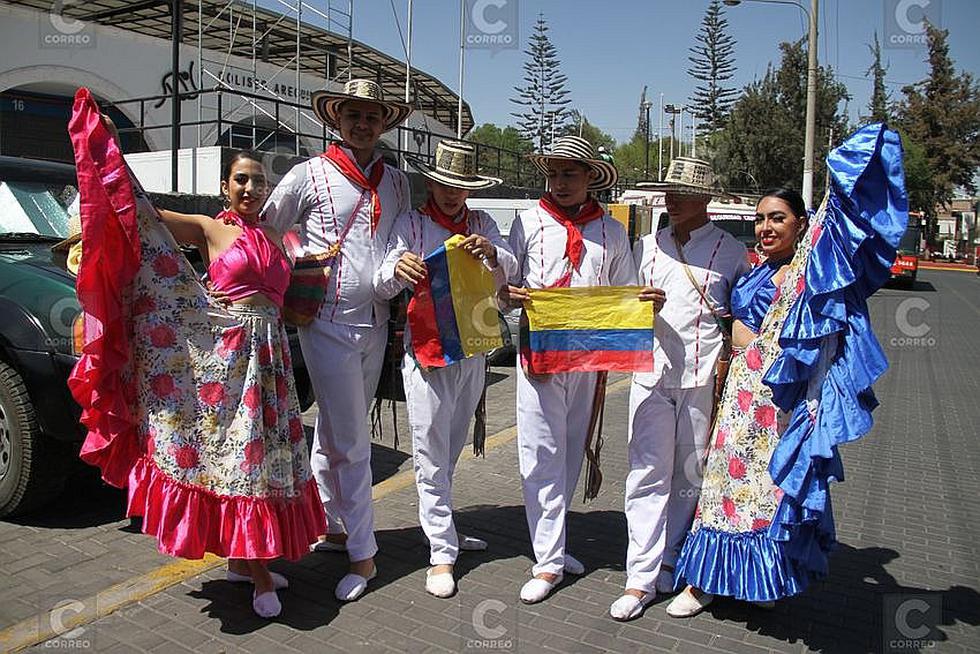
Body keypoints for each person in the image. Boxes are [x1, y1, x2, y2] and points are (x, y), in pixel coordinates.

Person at [69, 89, 325, 620]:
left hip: (272, 363)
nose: (251, 187)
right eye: (242, 179)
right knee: (237, 462)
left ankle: (241, 560)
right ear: (226, 186)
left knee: (265, 464)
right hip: (224, 363)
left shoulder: (281, 239)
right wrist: (111, 154)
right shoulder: (211, 228)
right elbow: (144, 217)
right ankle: (257, 573)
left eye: (259, 180)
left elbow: (311, 274)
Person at [666, 124, 908, 617]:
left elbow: (842, 221)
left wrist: (844, 166)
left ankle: (765, 579)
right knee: (721, 489)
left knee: (769, 492)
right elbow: (731, 322)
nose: (766, 227)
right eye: (759, 219)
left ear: (801, 224)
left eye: (777, 218)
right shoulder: (752, 270)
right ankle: (702, 582)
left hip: (781, 405)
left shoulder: (811, 274)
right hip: (739, 401)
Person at [259, 79, 412, 602]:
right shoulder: (308, 174)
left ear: (384, 123)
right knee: (352, 442)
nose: (363, 124)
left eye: (372, 116)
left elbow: (397, 241)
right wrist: (294, 268)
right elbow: (266, 230)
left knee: (333, 429)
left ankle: (334, 524)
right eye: (354, 115)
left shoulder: (397, 183)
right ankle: (366, 559)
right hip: (325, 322)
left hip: (376, 320)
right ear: (336, 119)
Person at [374, 140, 517, 598]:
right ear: (432, 183)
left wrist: (492, 254)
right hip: (428, 351)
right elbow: (380, 280)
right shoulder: (411, 223)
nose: (453, 193)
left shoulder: (483, 224)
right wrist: (400, 267)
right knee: (430, 450)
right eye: (446, 184)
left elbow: (509, 274)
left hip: (472, 347)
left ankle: (446, 531)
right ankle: (440, 550)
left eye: (461, 187)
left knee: (450, 447)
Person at [608, 159, 750, 621]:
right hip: (650, 375)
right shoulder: (644, 246)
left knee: (689, 478)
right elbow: (619, 308)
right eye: (669, 190)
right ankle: (640, 577)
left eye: (684, 192)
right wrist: (635, 303)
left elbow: (743, 319)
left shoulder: (732, 252)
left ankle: (672, 558)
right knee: (645, 473)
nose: (673, 199)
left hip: (704, 378)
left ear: (707, 199)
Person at [504, 136, 641, 604]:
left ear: (589, 178)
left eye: (570, 174)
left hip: (589, 355)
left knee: (569, 451)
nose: (560, 183)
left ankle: (556, 548)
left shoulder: (612, 232)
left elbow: (625, 289)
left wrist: (643, 303)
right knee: (539, 451)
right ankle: (547, 563)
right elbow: (502, 282)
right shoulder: (527, 222)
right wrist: (510, 293)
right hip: (539, 352)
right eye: (554, 173)